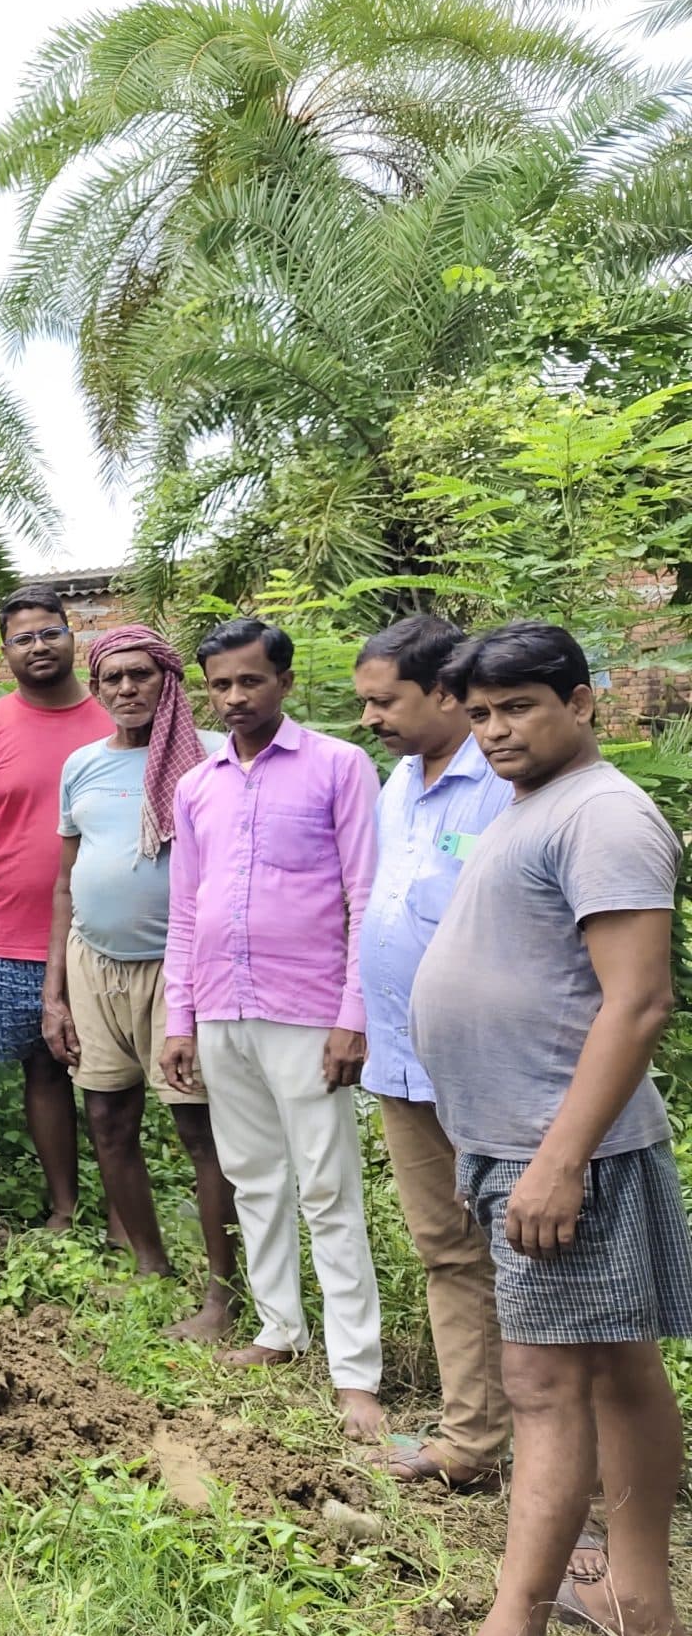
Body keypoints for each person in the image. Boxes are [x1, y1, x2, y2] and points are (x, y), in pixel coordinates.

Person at [399, 622, 690, 1636]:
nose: (495, 732)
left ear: (583, 701)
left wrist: (559, 1159)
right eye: (479, 713)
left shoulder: (606, 814)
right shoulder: (538, 807)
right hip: (517, 1139)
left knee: (540, 1387)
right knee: (615, 1370)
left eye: (518, 707)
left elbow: (637, 1002)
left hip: (554, 1149)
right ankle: (638, 1600)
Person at [159, 618, 385, 1441]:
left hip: (308, 1009)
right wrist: (179, 1018)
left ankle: (355, 1369)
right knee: (254, 1177)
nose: (235, 698)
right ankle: (278, 1330)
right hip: (222, 1008)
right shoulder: (199, 783)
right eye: (220, 685)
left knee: (328, 1188)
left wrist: (351, 1017)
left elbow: (367, 896)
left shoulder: (338, 766)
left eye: (250, 681)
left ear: (284, 683)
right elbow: (186, 909)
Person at [41, 625, 239, 1337]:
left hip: (181, 970)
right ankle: (151, 1265)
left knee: (199, 1128)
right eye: (112, 678)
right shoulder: (83, 766)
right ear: (97, 689)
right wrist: (54, 992)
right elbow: (65, 882)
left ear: (169, 680)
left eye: (140, 675)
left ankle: (222, 1294)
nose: (126, 689)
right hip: (95, 963)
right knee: (107, 1119)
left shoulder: (214, 761)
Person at [354, 614, 514, 1492]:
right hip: (401, 1060)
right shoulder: (398, 782)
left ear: (446, 693)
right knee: (447, 1248)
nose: (371, 718)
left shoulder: (502, 784)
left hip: (485, 1063)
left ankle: (583, 1446)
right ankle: (470, 1440)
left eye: (385, 701)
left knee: (531, 1252)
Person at [0, 590, 113, 1232]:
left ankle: (126, 1212)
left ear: (74, 637)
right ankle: (65, 1209)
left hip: (111, 936)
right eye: (23, 638)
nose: (38, 646)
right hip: (14, 932)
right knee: (41, 1066)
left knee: (110, 1074)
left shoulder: (117, 719)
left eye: (50, 633)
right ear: (4, 651)